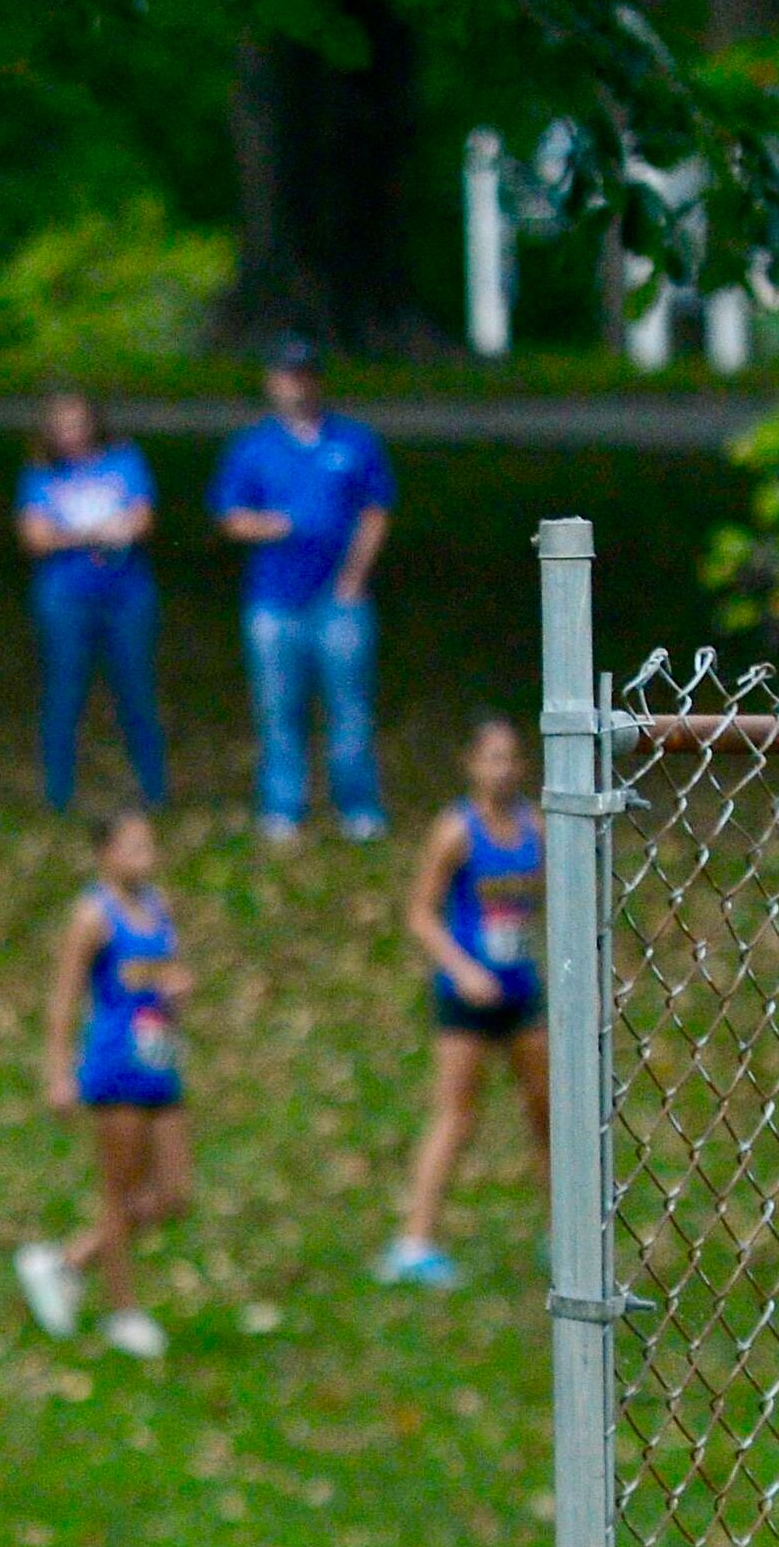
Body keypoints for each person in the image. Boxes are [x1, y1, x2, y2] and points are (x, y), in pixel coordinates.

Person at [379, 715, 550, 1288]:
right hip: (466, 996)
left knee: (547, 1111)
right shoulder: (456, 830)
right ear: (472, 765)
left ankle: (562, 1234)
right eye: (491, 758)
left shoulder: (537, 828)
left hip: (521, 988)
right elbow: (420, 912)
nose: (503, 769)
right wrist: (464, 968)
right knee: (456, 1113)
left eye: (511, 758)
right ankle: (415, 1240)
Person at [13, 811, 190, 1361]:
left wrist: (178, 990)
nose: (145, 856)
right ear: (105, 854)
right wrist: (58, 1071)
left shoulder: (160, 908)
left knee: (174, 1195)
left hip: (160, 1061)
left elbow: (164, 975)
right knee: (120, 1194)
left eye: (149, 845)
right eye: (133, 846)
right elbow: (65, 998)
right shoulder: (93, 916)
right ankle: (122, 1311)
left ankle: (66, 1263)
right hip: (115, 1067)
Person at [213, 338, 397, 845]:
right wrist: (271, 526)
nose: (296, 385)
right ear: (272, 383)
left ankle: (358, 807)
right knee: (277, 709)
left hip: (339, 599)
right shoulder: (251, 447)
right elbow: (229, 517)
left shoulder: (354, 441)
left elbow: (376, 510)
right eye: (286, 375)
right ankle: (282, 806)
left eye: (305, 375)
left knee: (350, 708)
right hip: (274, 600)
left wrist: (355, 577)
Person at [13, 388, 168, 817]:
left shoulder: (123, 460)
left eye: (79, 423)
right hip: (65, 597)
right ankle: (58, 795)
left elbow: (143, 518)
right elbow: (34, 536)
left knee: (136, 690)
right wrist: (94, 533)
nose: (72, 433)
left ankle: (154, 792)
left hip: (126, 595)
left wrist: (75, 535)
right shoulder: (41, 474)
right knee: (64, 693)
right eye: (62, 425)